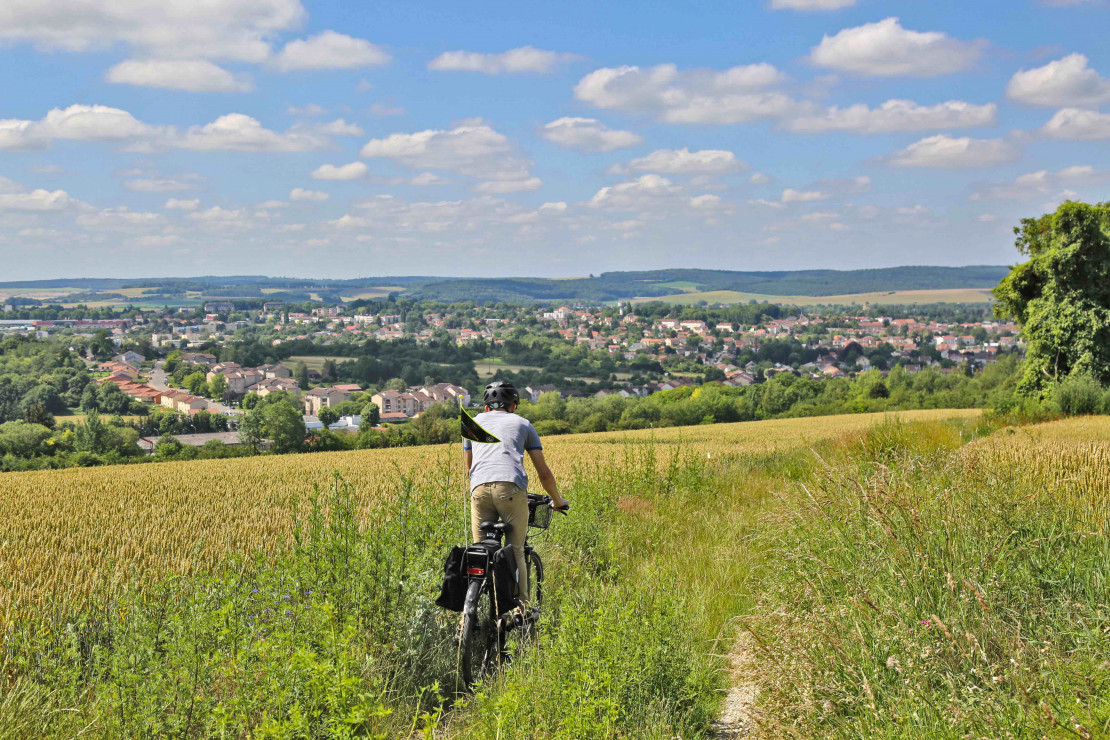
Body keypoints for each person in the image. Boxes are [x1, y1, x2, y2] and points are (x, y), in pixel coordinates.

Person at [462, 380, 568, 604]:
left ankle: (472, 610)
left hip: (478, 489)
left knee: (479, 552)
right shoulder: (523, 424)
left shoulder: (471, 423)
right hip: (510, 488)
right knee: (516, 550)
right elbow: (544, 473)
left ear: (486, 407)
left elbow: (469, 468)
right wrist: (557, 500)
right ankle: (522, 610)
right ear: (513, 405)